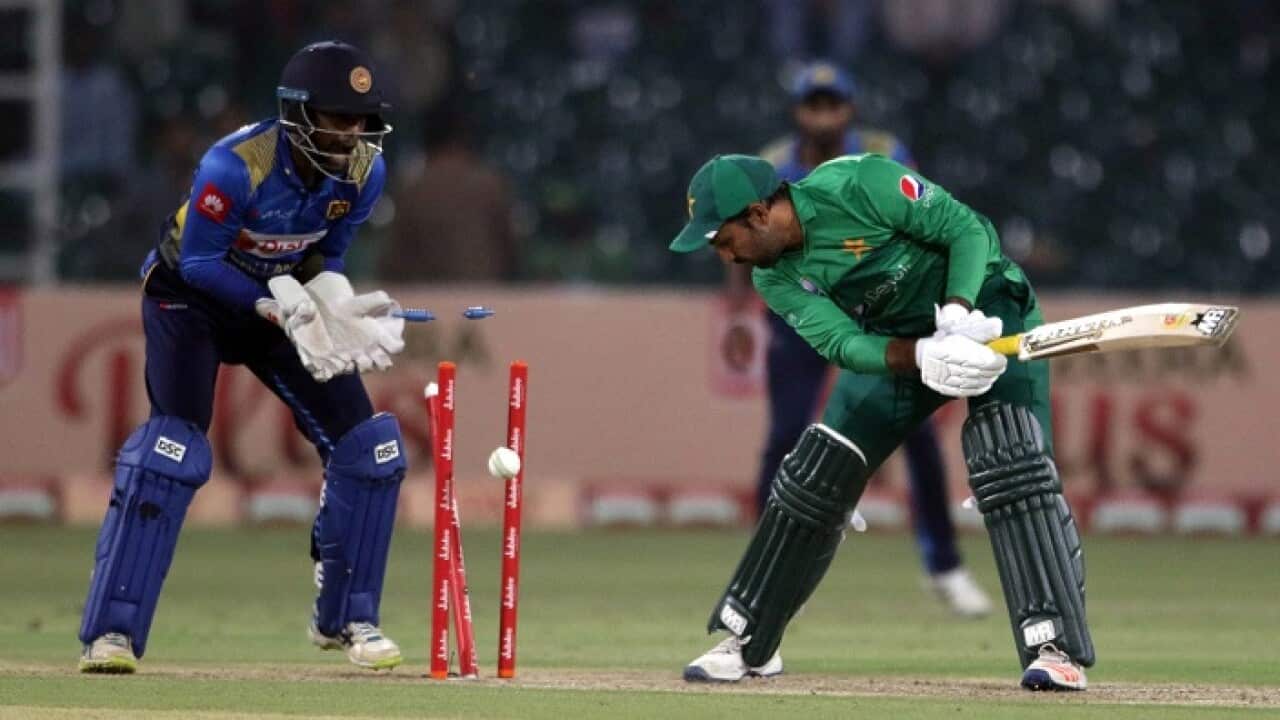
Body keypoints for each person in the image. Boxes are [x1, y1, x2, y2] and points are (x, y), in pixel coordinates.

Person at [671, 153, 1093, 691]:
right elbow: (843, 342)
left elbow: (966, 229)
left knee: (1013, 460)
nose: (724, 255)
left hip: (989, 311)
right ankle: (750, 641)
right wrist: (922, 356)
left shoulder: (860, 182)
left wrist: (959, 314)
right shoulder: (771, 277)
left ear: (757, 214)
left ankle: (1054, 647)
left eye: (723, 239)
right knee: (818, 471)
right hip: (905, 343)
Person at [77, 41, 410, 674]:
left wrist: (329, 299)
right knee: (170, 452)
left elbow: (324, 255)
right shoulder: (234, 166)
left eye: (360, 119)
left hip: (281, 300)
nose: (351, 134)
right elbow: (200, 262)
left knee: (369, 447)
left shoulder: (366, 171)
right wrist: (270, 303)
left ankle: (349, 620)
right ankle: (111, 634)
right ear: (297, 114)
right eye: (336, 118)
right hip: (191, 301)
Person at [728, 60, 991, 617]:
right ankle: (762, 571)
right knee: (784, 437)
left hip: (879, 312)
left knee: (916, 438)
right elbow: (744, 246)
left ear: (849, 107)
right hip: (800, 317)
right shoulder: (771, 167)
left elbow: (926, 222)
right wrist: (736, 314)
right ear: (798, 111)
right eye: (812, 104)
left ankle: (944, 567)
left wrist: (945, 307)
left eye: (832, 103)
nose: (822, 114)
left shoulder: (882, 152)